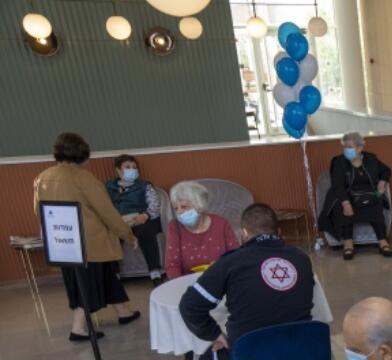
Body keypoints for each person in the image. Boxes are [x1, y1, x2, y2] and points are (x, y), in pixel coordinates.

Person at [179, 203, 315, 360]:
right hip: (299, 353)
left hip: (250, 357)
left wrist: (213, 334)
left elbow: (189, 306)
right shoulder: (301, 258)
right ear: (279, 231)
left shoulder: (230, 263)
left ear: (243, 233)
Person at [32, 132, 141, 342]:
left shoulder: (42, 177)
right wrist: (127, 234)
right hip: (91, 242)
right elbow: (106, 211)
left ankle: (123, 312)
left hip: (62, 241)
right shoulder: (83, 177)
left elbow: (39, 210)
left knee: (106, 275)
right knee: (87, 281)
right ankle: (78, 328)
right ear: (83, 154)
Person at [318, 131, 392, 260]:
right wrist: (345, 202)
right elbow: (338, 185)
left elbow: (386, 170)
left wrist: (382, 183)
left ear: (360, 148)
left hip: (367, 192)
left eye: (350, 147)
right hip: (345, 193)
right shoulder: (339, 162)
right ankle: (348, 243)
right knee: (344, 207)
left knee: (376, 201)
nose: (346, 150)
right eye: (344, 147)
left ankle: (382, 241)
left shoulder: (371, 159)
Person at [164, 181, 240, 279]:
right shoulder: (174, 226)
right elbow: (172, 265)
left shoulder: (221, 224)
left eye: (184, 206)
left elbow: (235, 256)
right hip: (186, 282)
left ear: (199, 205)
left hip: (220, 278)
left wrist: (221, 265)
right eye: (176, 208)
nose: (179, 212)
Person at [105, 154, 163, 280]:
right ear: (118, 170)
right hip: (119, 221)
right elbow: (104, 206)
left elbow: (155, 205)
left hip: (141, 219)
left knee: (145, 231)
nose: (132, 170)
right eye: (127, 167)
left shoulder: (144, 185)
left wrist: (146, 215)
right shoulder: (108, 186)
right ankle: (114, 275)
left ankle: (154, 271)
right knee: (110, 234)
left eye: (134, 167)